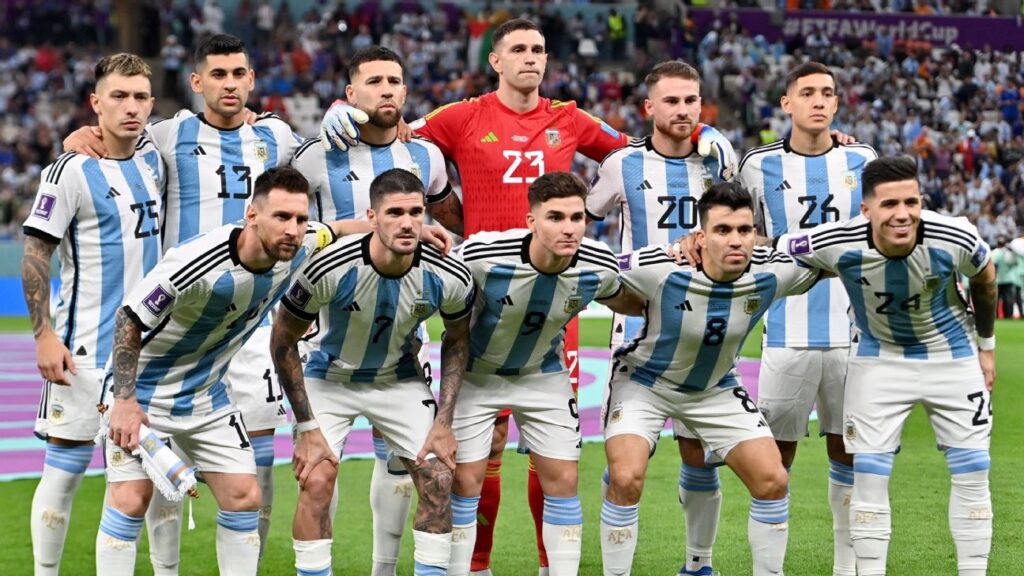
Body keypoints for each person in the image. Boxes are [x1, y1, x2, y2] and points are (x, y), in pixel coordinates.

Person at [321, 18, 737, 575]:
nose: (531, 57)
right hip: (479, 296)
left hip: (554, 303)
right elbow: (390, 127)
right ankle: (477, 566)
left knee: (552, 450)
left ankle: (548, 566)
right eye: (518, 48)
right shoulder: (459, 117)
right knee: (481, 448)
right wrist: (340, 110)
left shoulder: (569, 118)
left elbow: (643, 151)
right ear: (495, 61)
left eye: (538, 49)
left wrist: (702, 132)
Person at [98, 166, 337, 576]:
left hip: (207, 395)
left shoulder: (300, 244)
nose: (293, 229)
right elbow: (129, 319)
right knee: (130, 499)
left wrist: (417, 231)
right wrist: (123, 401)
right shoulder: (196, 262)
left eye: (300, 219)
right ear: (252, 215)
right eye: (282, 217)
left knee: (245, 496)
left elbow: (338, 229)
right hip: (144, 395)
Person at [777, 156, 996, 576]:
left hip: (952, 357)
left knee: (973, 470)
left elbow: (985, 278)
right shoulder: (836, 239)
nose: (903, 214)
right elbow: (776, 248)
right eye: (890, 204)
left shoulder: (955, 234)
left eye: (911, 202)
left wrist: (986, 347)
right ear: (866, 209)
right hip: (878, 359)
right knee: (869, 473)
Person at [291, 45, 462, 576]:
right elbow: (280, 222)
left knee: (407, 467)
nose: (386, 90)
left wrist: (437, 235)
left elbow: (453, 221)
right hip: (324, 339)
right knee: (318, 474)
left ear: (406, 91)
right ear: (349, 95)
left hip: (401, 342)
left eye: (394, 81)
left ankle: (383, 569)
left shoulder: (426, 156)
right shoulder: (313, 156)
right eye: (374, 82)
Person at [601, 181, 822, 576]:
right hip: (645, 383)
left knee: (773, 480)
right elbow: (595, 275)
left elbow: (832, 256)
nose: (735, 240)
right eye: (722, 230)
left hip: (715, 387)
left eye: (744, 230)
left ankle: (713, 569)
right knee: (626, 477)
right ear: (700, 237)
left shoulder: (773, 270)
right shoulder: (661, 266)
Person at [270, 168, 475, 576]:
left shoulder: (448, 273)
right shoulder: (329, 267)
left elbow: (457, 340)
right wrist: (307, 427)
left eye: (415, 212)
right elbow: (282, 340)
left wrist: (444, 423)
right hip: (329, 378)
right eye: (394, 212)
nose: (407, 223)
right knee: (316, 479)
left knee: (439, 478)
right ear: (372, 217)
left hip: (399, 379)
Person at [448, 172, 642, 576]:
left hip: (543, 374)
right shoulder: (483, 254)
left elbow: (628, 299)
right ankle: (473, 570)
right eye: (555, 217)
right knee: (465, 481)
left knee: (564, 479)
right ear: (531, 221)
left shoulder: (598, 263)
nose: (569, 228)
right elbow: (436, 285)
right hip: (478, 376)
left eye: (576, 218)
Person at [586, 60, 735, 576]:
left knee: (698, 453)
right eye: (671, 101)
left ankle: (699, 565)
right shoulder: (621, 165)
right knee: (626, 469)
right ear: (649, 107)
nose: (682, 110)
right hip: (638, 331)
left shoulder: (719, 163)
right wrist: (617, 273)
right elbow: (582, 221)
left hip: (706, 332)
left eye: (691, 100)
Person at [23, 53, 163, 576]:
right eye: (119, 96)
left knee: (149, 483)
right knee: (63, 473)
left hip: (149, 357)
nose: (131, 107)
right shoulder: (69, 170)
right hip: (82, 353)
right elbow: (36, 254)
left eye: (140, 97)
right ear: (95, 102)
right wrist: (43, 336)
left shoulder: (155, 159)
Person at [737, 61, 878, 576]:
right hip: (786, 331)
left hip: (854, 332)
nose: (818, 101)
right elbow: (742, 231)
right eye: (808, 92)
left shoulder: (862, 159)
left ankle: (847, 568)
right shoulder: (757, 166)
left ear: (837, 103)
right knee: (775, 465)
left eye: (827, 93)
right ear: (787, 103)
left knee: (850, 454)